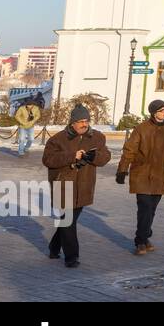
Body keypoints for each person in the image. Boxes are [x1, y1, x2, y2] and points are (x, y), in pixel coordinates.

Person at [116, 99, 164, 256]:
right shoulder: (142, 129)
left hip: (160, 175)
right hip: (141, 174)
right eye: (162, 110)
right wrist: (122, 170)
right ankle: (140, 241)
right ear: (154, 113)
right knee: (145, 208)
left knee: (152, 210)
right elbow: (129, 150)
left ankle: (145, 237)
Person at [41, 103, 111, 267]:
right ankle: (72, 257)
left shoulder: (97, 137)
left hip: (84, 186)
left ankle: (54, 247)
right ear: (72, 122)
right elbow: (48, 160)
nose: (84, 124)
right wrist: (72, 156)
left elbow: (105, 156)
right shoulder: (57, 139)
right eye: (80, 121)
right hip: (62, 184)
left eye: (86, 120)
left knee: (68, 220)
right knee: (68, 220)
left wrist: (93, 157)